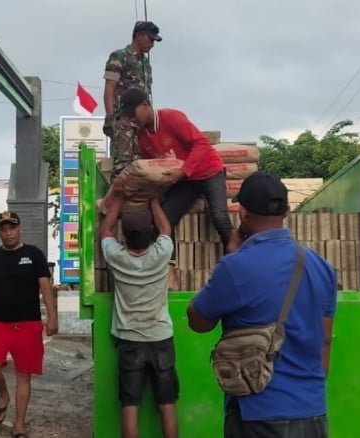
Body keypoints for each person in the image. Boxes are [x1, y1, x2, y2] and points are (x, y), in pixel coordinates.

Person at [186, 172, 337, 438]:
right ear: (287, 212)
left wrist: (232, 257)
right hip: (312, 412)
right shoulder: (320, 266)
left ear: (242, 214)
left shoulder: (236, 267)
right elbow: (325, 340)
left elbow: (198, 322)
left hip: (258, 413)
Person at [0, 211, 58, 438]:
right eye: (3, 230)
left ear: (20, 229)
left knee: (24, 375)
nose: (8, 233)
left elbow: (46, 288)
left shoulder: (34, 255)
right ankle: (3, 395)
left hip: (28, 324)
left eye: (12, 228)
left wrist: (53, 316)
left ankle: (19, 425)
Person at [100, 198, 179, 438]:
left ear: (124, 236)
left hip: (130, 340)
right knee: (166, 403)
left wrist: (119, 200)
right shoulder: (161, 253)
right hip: (160, 337)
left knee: (130, 404)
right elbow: (167, 229)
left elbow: (105, 230)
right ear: (150, 234)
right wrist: (155, 202)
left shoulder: (116, 256)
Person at [119, 88, 233, 250]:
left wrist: (182, 171)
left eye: (133, 113)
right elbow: (150, 165)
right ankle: (169, 266)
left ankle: (234, 259)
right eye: (128, 116)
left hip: (209, 172)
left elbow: (201, 143)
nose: (131, 119)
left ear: (145, 105)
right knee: (163, 220)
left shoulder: (171, 118)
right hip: (185, 181)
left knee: (220, 217)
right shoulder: (142, 137)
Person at [102, 21, 162, 210]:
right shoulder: (119, 56)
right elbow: (109, 90)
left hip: (141, 123)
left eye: (154, 41)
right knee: (122, 166)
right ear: (138, 35)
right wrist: (111, 118)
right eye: (150, 39)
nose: (152, 44)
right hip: (124, 121)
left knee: (139, 167)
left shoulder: (145, 64)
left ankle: (134, 209)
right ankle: (113, 209)